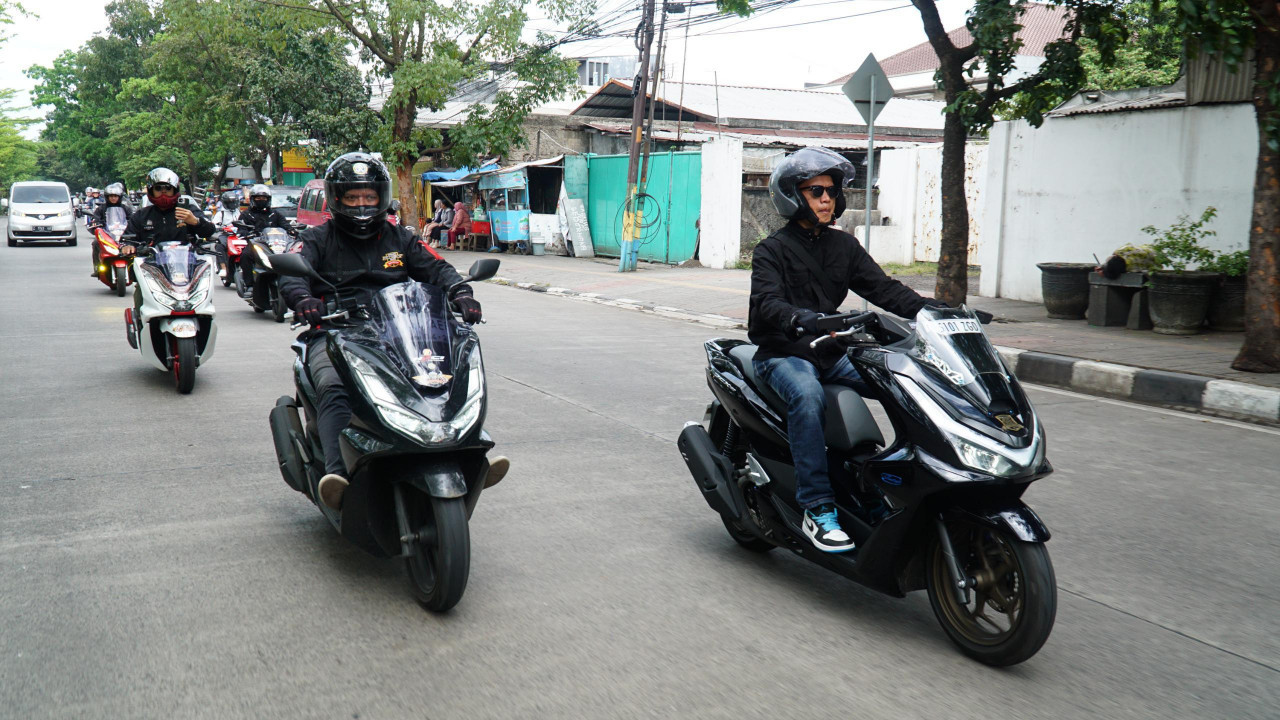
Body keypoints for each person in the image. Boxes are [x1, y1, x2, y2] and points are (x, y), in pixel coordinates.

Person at [279, 152, 506, 510]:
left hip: (394, 327)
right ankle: (337, 475)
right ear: (336, 199)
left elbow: (437, 268)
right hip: (336, 329)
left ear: (381, 198)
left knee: (447, 372)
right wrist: (303, 299)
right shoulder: (317, 238)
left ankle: (470, 449)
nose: (361, 204)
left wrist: (462, 293)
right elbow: (293, 274)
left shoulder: (400, 237)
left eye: (368, 196)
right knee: (335, 388)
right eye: (352, 197)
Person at [748, 147, 948, 553]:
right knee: (807, 395)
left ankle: (889, 484)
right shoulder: (771, 250)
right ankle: (817, 509)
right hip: (783, 354)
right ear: (792, 196)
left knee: (908, 383)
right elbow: (766, 302)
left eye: (832, 191)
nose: (827, 198)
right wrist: (797, 318)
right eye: (816, 190)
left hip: (829, 352)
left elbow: (884, 289)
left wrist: (939, 312)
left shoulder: (844, 247)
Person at [235, 183, 293, 295]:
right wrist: (245, 233)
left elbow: (285, 225)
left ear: (268, 199)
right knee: (245, 255)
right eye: (258, 198)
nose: (261, 200)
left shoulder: (275, 214)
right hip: (256, 243)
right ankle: (249, 285)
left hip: (275, 243)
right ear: (252, 199)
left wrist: (291, 230)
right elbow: (241, 228)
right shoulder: (246, 215)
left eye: (264, 198)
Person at [88, 182, 134, 276]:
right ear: (107, 197)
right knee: (95, 243)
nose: (113, 198)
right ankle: (97, 267)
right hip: (107, 233)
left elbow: (132, 218)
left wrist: (131, 223)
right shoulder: (101, 209)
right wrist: (97, 223)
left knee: (136, 244)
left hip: (123, 233)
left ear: (119, 197)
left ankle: (135, 268)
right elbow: (96, 219)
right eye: (111, 196)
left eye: (116, 196)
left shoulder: (125, 208)